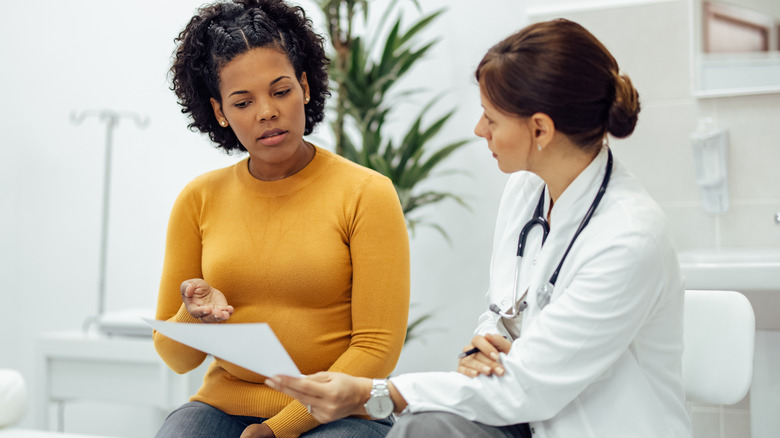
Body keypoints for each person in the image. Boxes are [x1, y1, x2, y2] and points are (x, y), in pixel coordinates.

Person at [266, 18, 693, 438]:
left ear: (540, 128)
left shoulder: (629, 239)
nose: (478, 130)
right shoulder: (526, 190)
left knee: (419, 423)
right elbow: (504, 309)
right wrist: (484, 341)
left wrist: (374, 394)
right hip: (523, 417)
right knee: (424, 429)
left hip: (589, 425)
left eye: (491, 118)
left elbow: (530, 385)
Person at [152, 1, 410, 437]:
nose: (266, 112)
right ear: (219, 112)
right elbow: (177, 359)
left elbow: (376, 348)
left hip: (339, 412)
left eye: (281, 90)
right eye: (242, 101)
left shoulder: (367, 194)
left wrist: (279, 428)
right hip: (223, 406)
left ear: (305, 87)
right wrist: (192, 317)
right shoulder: (198, 199)